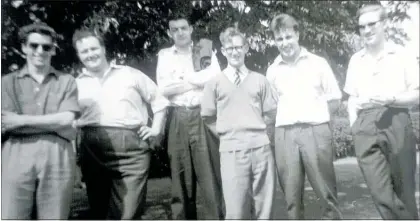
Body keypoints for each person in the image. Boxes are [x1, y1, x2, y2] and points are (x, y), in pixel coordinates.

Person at [72, 28, 169, 219]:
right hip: (92, 152)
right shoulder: (76, 84)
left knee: (128, 213)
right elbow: (72, 122)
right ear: (79, 56)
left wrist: (156, 128)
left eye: (94, 48)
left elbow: (159, 100)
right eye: (84, 51)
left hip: (131, 152)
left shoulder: (129, 74)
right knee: (99, 210)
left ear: (103, 48)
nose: (90, 54)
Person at [344, 4, 419, 219]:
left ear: (385, 24)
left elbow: (417, 95)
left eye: (372, 24)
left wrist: (393, 99)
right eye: (362, 27)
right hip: (365, 126)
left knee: (404, 194)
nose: (366, 30)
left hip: (396, 119)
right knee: (380, 193)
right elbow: (351, 99)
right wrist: (354, 127)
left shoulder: (402, 53)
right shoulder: (355, 61)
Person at [266, 13, 343, 219]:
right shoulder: (272, 71)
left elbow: (335, 98)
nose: (285, 43)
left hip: (315, 131)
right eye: (279, 39)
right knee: (291, 198)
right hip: (285, 134)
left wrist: (317, 119)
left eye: (288, 37)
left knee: (326, 194)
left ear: (297, 34)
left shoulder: (318, 63)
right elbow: (271, 107)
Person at [1, 22, 80, 219]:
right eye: (34, 45)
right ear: (23, 48)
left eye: (46, 47)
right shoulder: (6, 82)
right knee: (11, 215)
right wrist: (56, 125)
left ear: (53, 50)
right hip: (15, 155)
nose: (40, 51)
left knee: (55, 216)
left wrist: (20, 121)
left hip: (57, 157)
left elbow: (66, 119)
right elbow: (5, 123)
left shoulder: (66, 81)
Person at [201, 27, 278, 219]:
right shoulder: (214, 83)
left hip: (261, 148)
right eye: (230, 48)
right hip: (231, 150)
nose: (234, 52)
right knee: (235, 211)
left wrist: (258, 135)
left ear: (246, 48)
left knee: (264, 206)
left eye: (238, 47)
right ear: (223, 51)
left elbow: (270, 113)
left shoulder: (260, 80)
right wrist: (229, 135)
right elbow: (208, 117)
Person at [156, 13, 224, 219]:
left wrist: (185, 80)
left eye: (183, 28)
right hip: (177, 118)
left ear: (191, 29)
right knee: (180, 177)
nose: (180, 33)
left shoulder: (204, 49)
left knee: (210, 175)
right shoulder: (165, 55)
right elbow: (165, 88)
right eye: (174, 30)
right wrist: (197, 81)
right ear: (169, 33)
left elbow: (215, 78)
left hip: (204, 116)